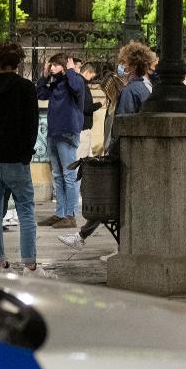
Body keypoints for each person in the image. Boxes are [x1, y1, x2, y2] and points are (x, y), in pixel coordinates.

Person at [58, 41, 156, 251]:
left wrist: (112, 151)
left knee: (109, 199)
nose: (121, 65)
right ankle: (85, 236)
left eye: (123, 62)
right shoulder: (143, 88)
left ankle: (90, 238)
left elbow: (123, 124)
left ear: (130, 65)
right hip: (137, 152)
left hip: (124, 153)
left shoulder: (131, 91)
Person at [0, 41, 52, 275]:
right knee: (26, 209)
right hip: (16, 159)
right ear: (17, 62)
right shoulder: (26, 88)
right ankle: (29, 263)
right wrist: (26, 153)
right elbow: (31, 125)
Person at [36, 52, 85, 230]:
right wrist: (44, 76)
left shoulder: (75, 80)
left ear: (65, 66)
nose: (52, 67)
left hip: (67, 133)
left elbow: (77, 89)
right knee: (57, 175)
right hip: (54, 133)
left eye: (56, 65)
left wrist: (71, 71)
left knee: (69, 175)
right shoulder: (56, 83)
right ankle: (61, 213)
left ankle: (71, 215)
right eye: (51, 65)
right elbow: (41, 94)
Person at [78, 62, 103, 160]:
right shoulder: (82, 86)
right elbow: (87, 107)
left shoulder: (77, 84)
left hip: (80, 127)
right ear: (88, 72)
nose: (92, 78)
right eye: (92, 75)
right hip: (83, 128)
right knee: (81, 159)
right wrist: (100, 104)